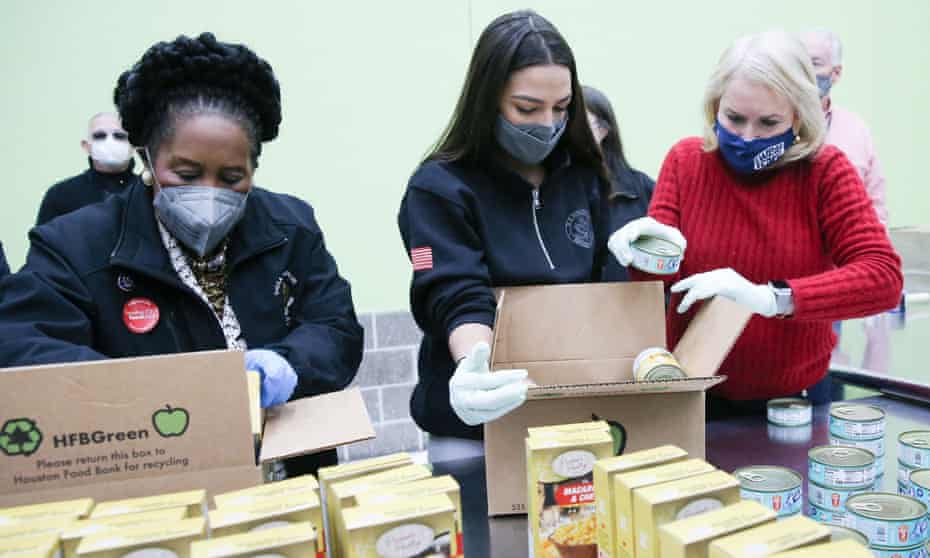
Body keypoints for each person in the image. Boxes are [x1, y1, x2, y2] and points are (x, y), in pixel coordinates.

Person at [0, 33, 364, 476]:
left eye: (232, 177)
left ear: (254, 167)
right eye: (186, 174)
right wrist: (154, 393)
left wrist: (288, 362)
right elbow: (21, 345)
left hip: (289, 477)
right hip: (156, 483)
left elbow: (335, 327)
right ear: (148, 158)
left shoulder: (290, 226)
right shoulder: (77, 245)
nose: (209, 194)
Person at [608, 30, 902, 418]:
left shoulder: (825, 173)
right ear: (715, 106)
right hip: (694, 393)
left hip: (794, 401)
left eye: (768, 122)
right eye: (733, 118)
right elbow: (662, 281)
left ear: (799, 114)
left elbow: (882, 278)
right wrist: (641, 252)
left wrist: (770, 298)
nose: (748, 137)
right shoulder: (686, 162)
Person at [398, 10, 609, 459]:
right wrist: (475, 367)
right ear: (487, 97)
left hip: (570, 414)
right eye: (527, 109)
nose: (548, 124)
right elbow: (453, 290)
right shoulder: (439, 189)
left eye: (562, 107)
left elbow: (602, 287)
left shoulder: (581, 176)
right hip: (472, 429)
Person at [799, 28, 887, 225]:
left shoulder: (855, 130)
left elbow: (875, 207)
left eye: (814, 63)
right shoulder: (769, 124)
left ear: (835, 73)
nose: (804, 72)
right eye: (798, 63)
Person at [582, 85, 653, 281]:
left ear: (603, 130)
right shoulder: (547, 191)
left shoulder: (642, 189)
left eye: (580, 124)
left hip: (635, 306)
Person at [36, 112, 139, 225]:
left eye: (119, 136)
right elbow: (43, 241)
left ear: (134, 145)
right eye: (100, 136)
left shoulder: (149, 192)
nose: (110, 142)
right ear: (86, 146)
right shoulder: (60, 195)